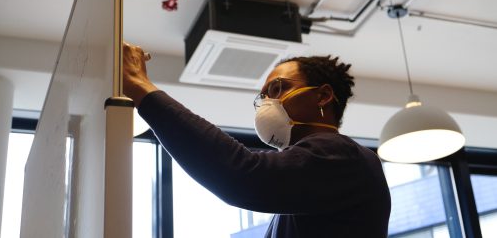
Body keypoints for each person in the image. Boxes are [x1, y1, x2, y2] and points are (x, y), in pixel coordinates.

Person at [123, 42, 391, 237]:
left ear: (322, 96)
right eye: (263, 97)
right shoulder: (317, 174)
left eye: (278, 89)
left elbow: (243, 175)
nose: (267, 103)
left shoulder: (341, 155)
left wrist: (141, 89)